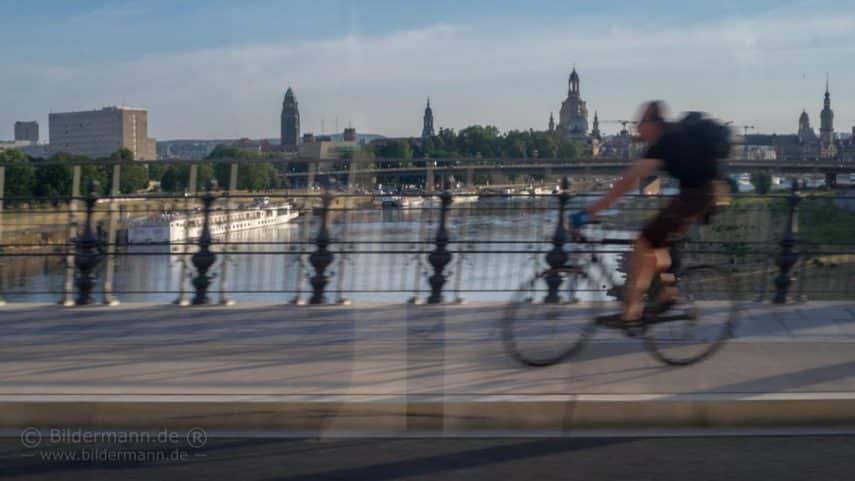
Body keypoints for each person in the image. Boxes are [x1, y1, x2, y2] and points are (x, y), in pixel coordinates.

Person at [569, 101, 726, 326]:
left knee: (644, 242)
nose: (637, 127)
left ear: (654, 123)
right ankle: (668, 293)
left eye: (641, 122)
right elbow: (631, 180)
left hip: (700, 195)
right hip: (701, 193)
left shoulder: (666, 141)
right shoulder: (668, 138)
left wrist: (589, 212)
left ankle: (631, 313)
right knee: (655, 243)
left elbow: (627, 182)